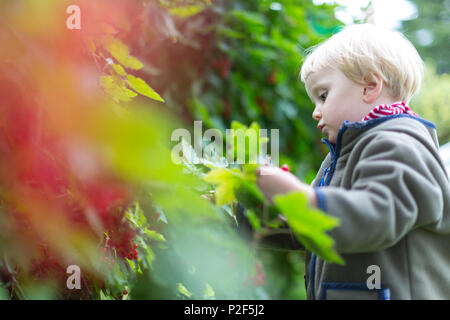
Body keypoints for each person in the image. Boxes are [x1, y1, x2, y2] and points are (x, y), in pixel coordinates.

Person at [256, 24, 450, 300]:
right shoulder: (343, 154)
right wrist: (245, 216)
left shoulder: (401, 144)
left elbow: (375, 215)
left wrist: (299, 196)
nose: (315, 112)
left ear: (370, 87)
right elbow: (318, 224)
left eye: (323, 95)